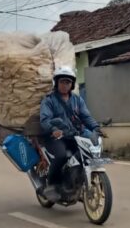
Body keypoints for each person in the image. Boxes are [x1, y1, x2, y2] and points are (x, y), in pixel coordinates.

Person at [39, 66, 101, 199]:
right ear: (56, 83)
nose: (65, 85)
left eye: (68, 82)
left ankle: (75, 180)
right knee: (61, 156)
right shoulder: (49, 100)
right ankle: (52, 185)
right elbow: (45, 120)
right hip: (55, 137)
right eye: (62, 81)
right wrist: (53, 129)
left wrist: (96, 128)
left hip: (74, 134)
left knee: (88, 151)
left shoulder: (77, 99)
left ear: (72, 84)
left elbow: (86, 116)